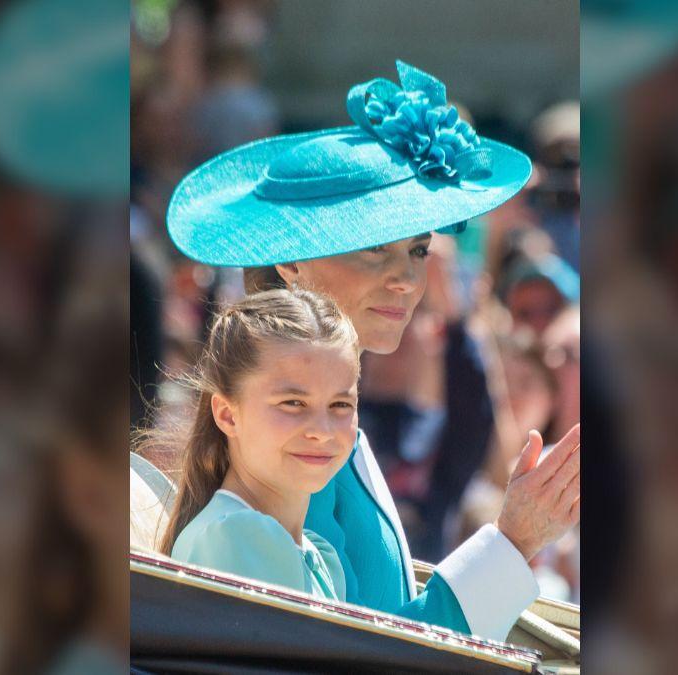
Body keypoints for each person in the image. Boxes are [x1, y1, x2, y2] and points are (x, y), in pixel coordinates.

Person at [163, 59, 581, 640]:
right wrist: (515, 540)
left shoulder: (332, 433)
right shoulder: (298, 455)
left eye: (415, 251)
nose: (406, 281)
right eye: (373, 251)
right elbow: (365, 651)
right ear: (291, 262)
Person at [156, 289, 361, 601]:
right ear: (227, 415)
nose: (322, 431)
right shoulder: (237, 536)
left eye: (340, 405)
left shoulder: (318, 555)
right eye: (293, 403)